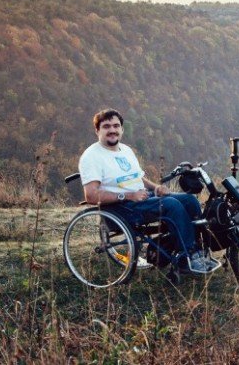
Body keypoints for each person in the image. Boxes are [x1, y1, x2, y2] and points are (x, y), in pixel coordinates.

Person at [78, 108, 218, 273]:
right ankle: (187, 255)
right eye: (106, 126)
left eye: (116, 126)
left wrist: (156, 187)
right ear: (97, 130)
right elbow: (92, 195)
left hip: (140, 199)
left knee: (190, 200)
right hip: (121, 207)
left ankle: (197, 249)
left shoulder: (126, 150)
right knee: (171, 205)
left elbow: (139, 179)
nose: (112, 130)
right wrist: (129, 195)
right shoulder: (92, 156)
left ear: (122, 129)